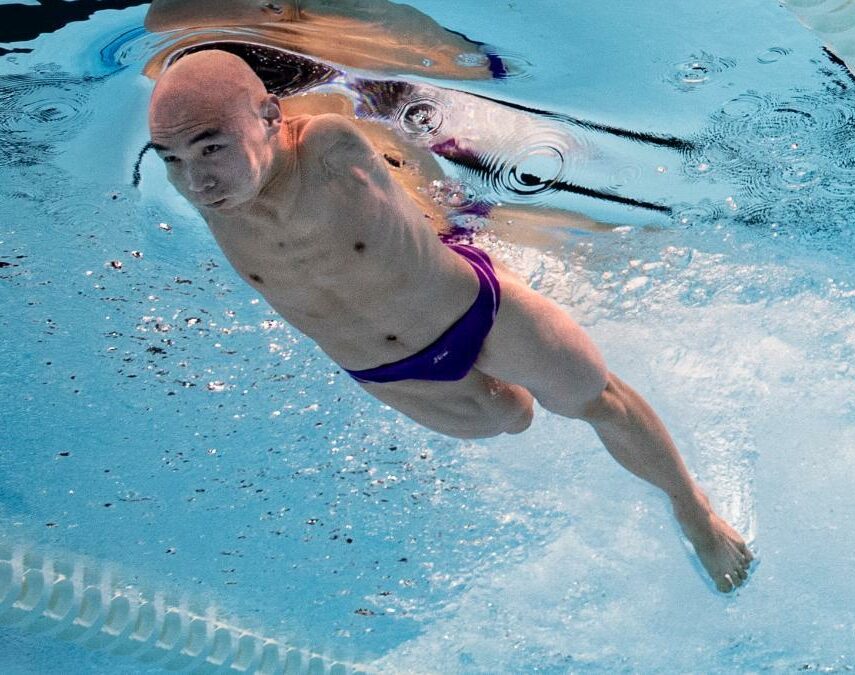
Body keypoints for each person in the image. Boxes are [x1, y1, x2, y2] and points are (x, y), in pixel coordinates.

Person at [146, 49, 753, 592]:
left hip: (474, 312)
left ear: (271, 118)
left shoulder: (328, 143)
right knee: (510, 419)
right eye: (171, 159)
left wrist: (460, 214)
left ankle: (694, 513)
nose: (196, 180)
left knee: (593, 399)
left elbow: (368, 89)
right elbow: (188, 113)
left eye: (211, 147)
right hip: (392, 374)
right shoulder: (210, 193)